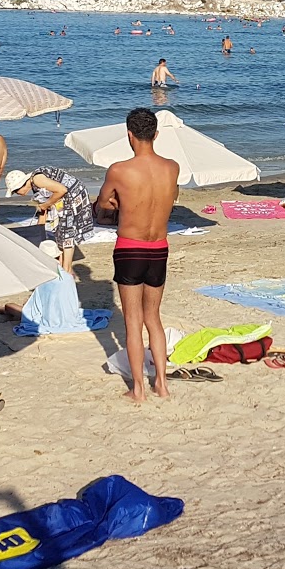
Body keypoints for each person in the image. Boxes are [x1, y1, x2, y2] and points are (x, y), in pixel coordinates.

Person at [92, 108, 180, 403]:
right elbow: (172, 195)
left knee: (132, 322)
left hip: (130, 247)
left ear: (129, 135)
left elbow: (104, 203)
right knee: (153, 317)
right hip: (159, 248)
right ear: (156, 135)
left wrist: (125, 203)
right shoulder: (172, 167)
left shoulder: (119, 170)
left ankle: (139, 389)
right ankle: (163, 385)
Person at [5, 166, 94, 273]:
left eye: (15, 191)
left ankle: (67, 269)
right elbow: (43, 214)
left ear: (20, 186)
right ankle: (62, 263)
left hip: (74, 195)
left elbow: (62, 190)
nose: (17, 194)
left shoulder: (37, 180)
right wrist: (37, 232)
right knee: (60, 230)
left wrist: (46, 204)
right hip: (66, 196)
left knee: (67, 232)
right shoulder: (35, 187)